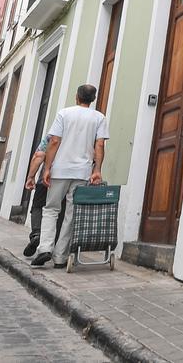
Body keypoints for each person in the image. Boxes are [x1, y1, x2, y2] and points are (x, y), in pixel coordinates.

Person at [30, 84, 108, 268]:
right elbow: (100, 145)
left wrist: (48, 168)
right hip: (82, 172)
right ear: (93, 99)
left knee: (51, 209)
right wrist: (97, 170)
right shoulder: (99, 117)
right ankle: (60, 257)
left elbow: (54, 141)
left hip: (60, 170)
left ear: (76, 96)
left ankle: (45, 249)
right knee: (71, 214)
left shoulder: (64, 114)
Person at [21, 135, 65, 257]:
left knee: (38, 206)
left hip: (46, 179)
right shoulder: (80, 135)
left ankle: (37, 234)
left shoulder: (52, 136)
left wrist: (30, 177)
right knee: (60, 211)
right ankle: (54, 244)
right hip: (68, 179)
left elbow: (39, 156)